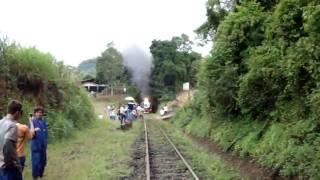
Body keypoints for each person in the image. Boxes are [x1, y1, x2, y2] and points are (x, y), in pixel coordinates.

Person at [0, 100, 23, 180]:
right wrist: (12, 164)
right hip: (9, 168)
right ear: (17, 112)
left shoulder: (0, 122)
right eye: (21, 113)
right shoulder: (12, 126)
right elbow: (7, 143)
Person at [30, 106, 48, 180]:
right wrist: (33, 128)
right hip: (36, 146)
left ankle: (40, 175)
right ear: (34, 113)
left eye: (41, 112)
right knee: (36, 163)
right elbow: (30, 134)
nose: (39, 114)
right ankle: (35, 177)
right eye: (37, 112)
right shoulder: (32, 121)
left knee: (43, 162)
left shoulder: (44, 121)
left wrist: (46, 143)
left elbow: (46, 133)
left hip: (43, 146)